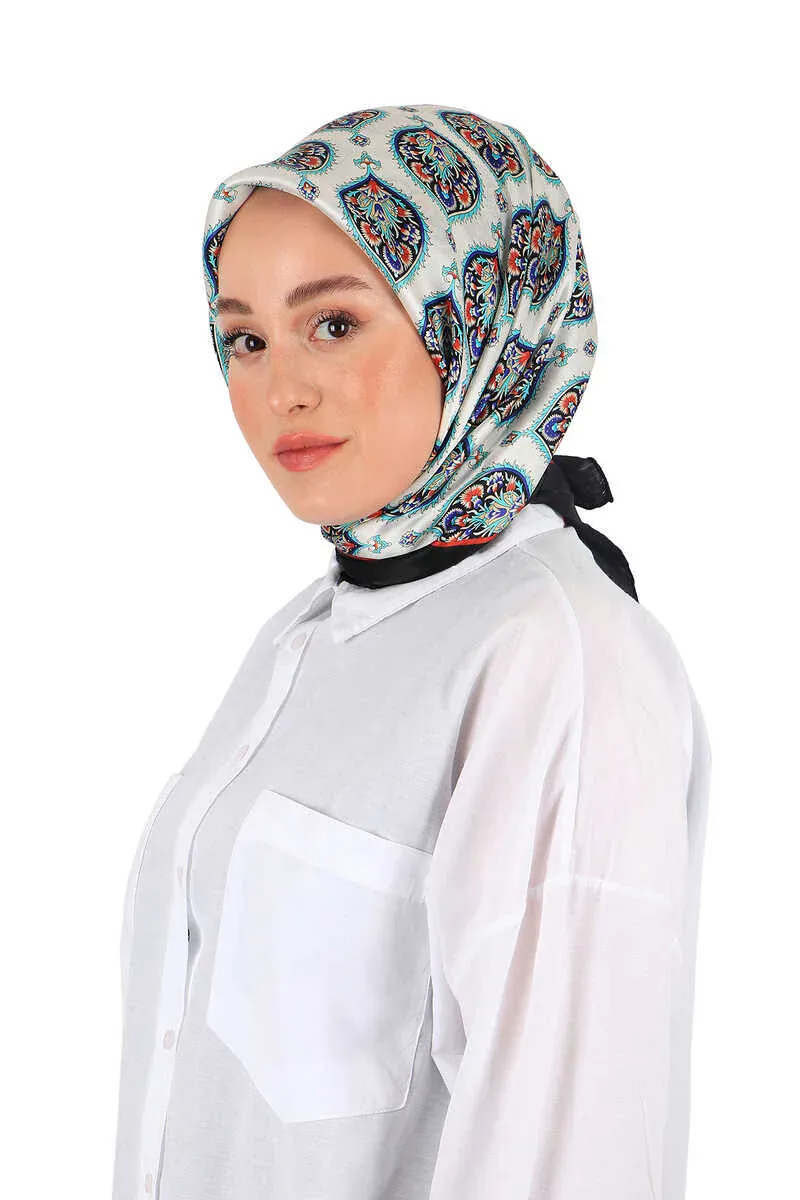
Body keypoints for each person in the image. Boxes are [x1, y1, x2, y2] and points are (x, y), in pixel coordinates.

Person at [112, 103, 712, 1200]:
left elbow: (566, 1158)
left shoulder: (555, 659)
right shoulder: (308, 634)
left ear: (478, 319)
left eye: (334, 323)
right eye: (245, 338)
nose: (279, 389)